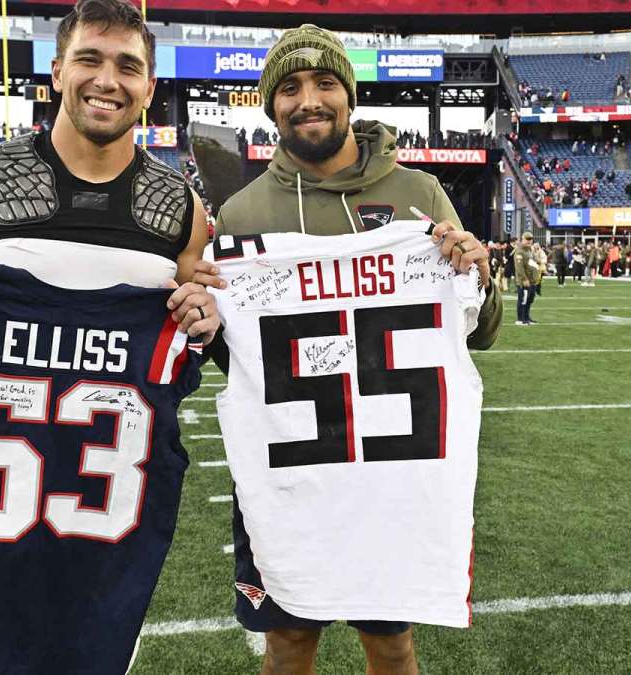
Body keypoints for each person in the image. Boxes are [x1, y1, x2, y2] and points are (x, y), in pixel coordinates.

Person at [0, 1, 222, 672]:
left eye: (128, 67)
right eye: (89, 59)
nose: (107, 80)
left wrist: (203, 323)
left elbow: (186, 345)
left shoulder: (179, 210)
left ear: (149, 87)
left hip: (102, 533)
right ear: (57, 71)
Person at [210, 23, 501, 675]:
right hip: (288, 472)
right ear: (271, 104)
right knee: (288, 642)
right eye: (289, 87)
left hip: (390, 469)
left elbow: (476, 329)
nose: (307, 99)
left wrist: (476, 276)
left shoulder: (416, 194)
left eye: (323, 83)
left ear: (349, 94)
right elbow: (235, 359)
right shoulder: (241, 216)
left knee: (391, 643)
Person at [514, 231, 541, 325]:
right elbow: (519, 267)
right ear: (523, 239)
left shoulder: (530, 250)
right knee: (523, 299)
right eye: (527, 239)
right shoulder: (520, 251)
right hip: (524, 281)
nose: (529, 241)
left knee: (530, 299)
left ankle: (526, 317)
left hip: (532, 280)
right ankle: (520, 319)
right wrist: (524, 279)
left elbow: (535, 262)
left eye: (530, 239)